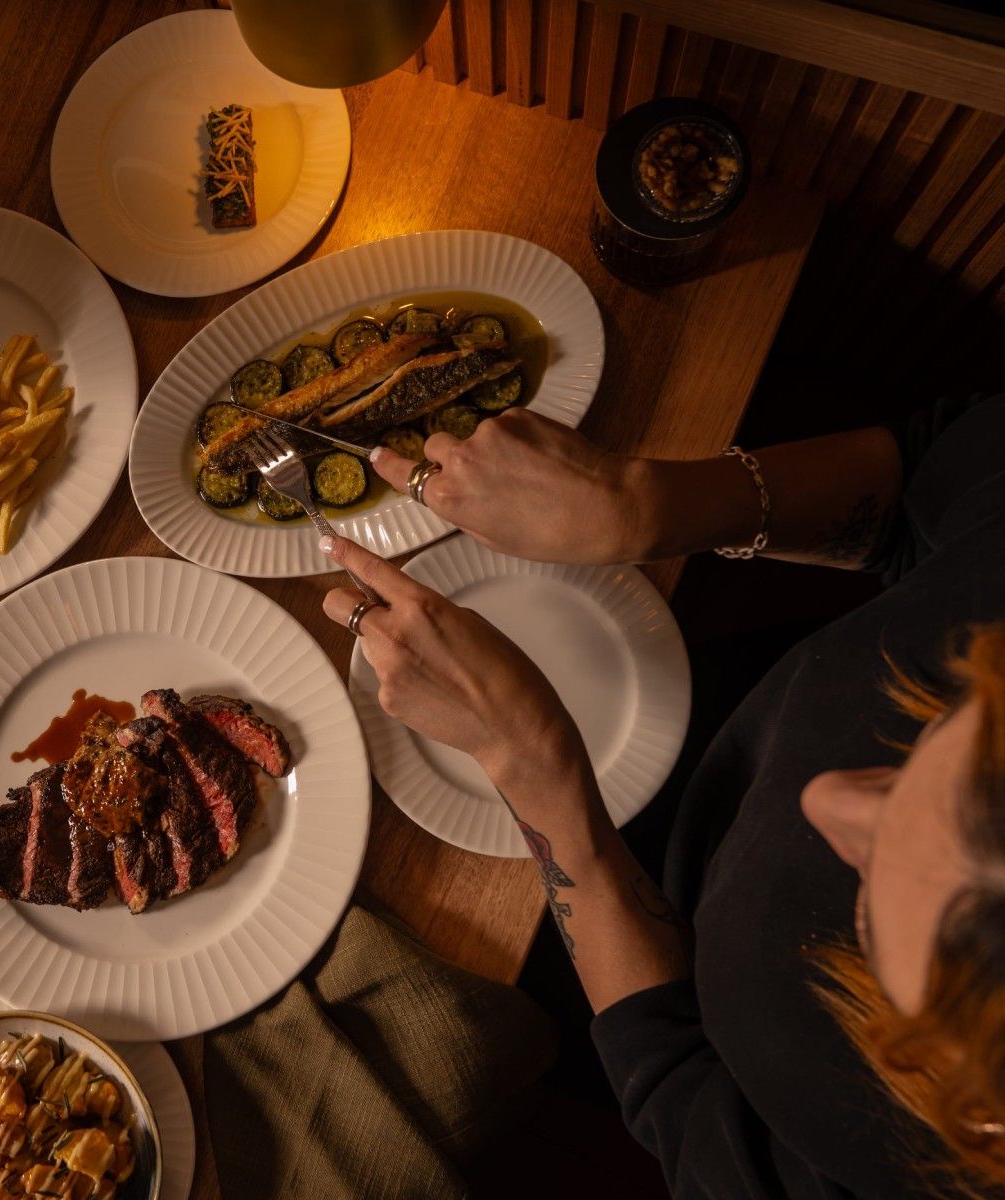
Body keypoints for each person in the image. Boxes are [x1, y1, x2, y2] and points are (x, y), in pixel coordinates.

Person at [323, 398, 1005, 1197]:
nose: (823, 800)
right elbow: (938, 485)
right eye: (941, 729)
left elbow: (679, 1091)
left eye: (871, 913)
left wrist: (528, 764)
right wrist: (655, 506)